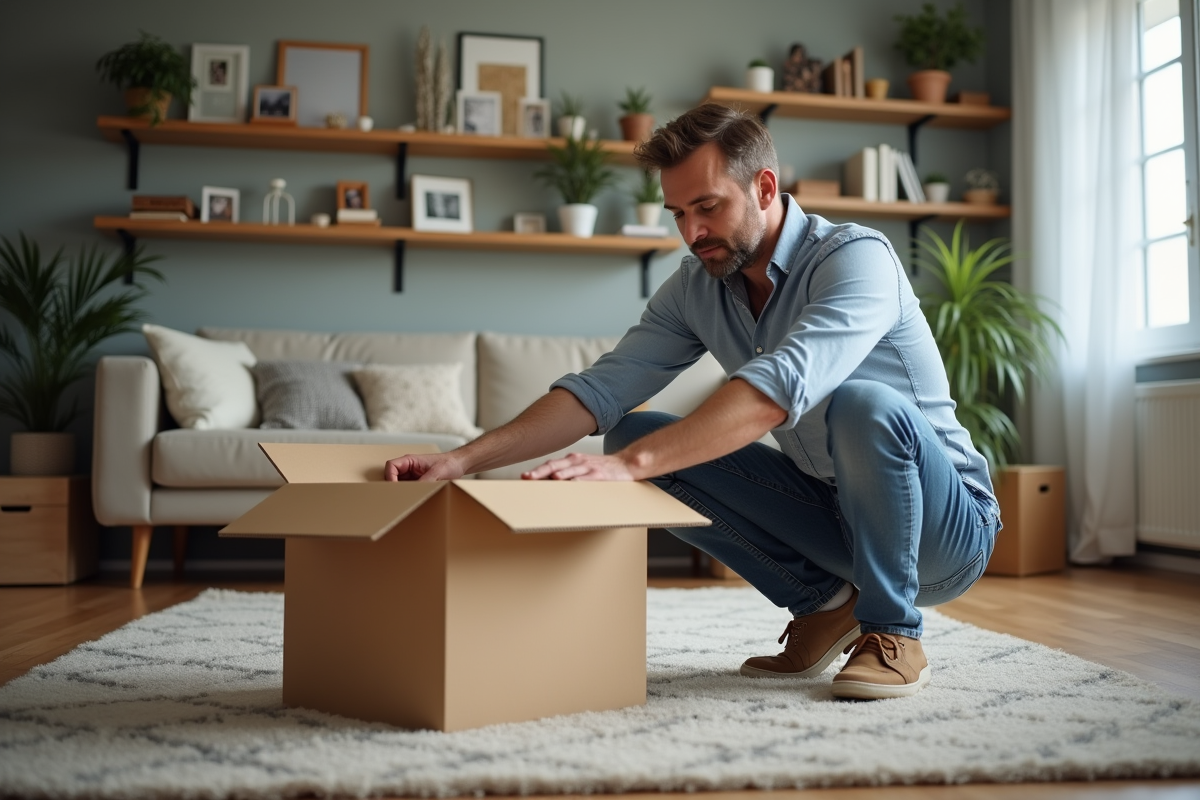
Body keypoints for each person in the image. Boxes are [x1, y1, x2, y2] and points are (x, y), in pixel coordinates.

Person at [385, 103, 1001, 700]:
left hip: (943, 534)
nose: (691, 233)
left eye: (707, 207)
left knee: (863, 403)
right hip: (835, 517)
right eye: (677, 213)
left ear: (764, 187)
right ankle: (825, 604)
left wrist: (629, 470)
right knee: (631, 432)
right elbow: (601, 389)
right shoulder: (697, 288)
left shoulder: (855, 259)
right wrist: (463, 459)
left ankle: (894, 631)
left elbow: (782, 385)